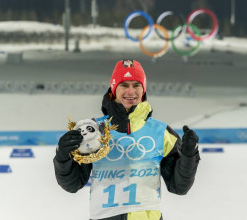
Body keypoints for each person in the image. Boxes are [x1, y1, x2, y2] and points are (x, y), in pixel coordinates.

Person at [53, 59, 200, 220]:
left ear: (143, 89)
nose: (131, 91)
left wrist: (188, 156)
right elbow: (73, 184)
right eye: (124, 85)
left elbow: (179, 187)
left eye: (136, 85)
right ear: (114, 89)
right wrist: (63, 157)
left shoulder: (162, 132)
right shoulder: (93, 130)